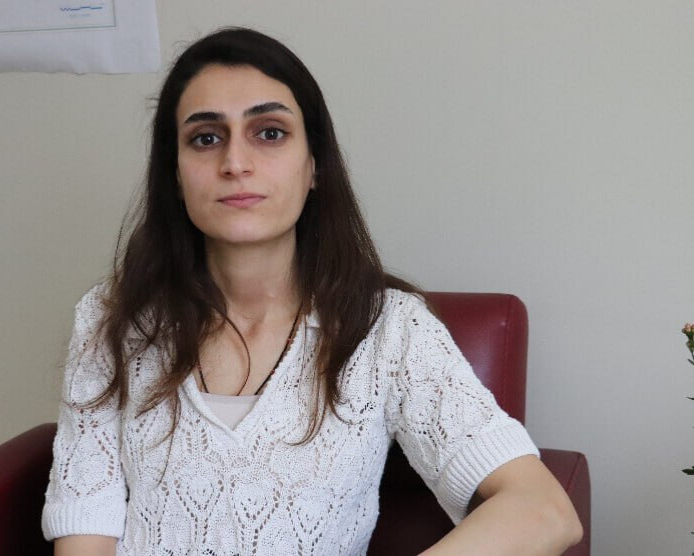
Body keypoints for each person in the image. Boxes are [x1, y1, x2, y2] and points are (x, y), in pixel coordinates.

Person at [41, 27, 583, 556]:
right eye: (206, 138)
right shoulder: (110, 318)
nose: (235, 163)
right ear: (175, 175)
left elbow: (543, 512)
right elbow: (86, 529)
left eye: (269, 133)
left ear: (315, 166)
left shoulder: (388, 328)